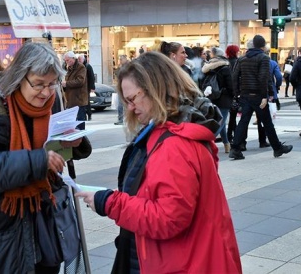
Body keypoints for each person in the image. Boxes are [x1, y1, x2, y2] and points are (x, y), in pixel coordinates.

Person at [75, 51, 241, 274]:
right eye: (126, 101)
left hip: (177, 262)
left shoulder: (174, 144)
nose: (130, 108)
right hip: (177, 257)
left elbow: (168, 218)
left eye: (133, 98)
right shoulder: (175, 131)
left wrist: (110, 203)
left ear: (156, 89)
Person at [0, 42, 87, 273]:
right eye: (39, 84)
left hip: (42, 229)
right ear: (18, 78)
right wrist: (36, 161)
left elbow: (49, 147)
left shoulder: (47, 105)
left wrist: (72, 142)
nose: (46, 92)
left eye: (52, 84)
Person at [229, 35, 293, 160]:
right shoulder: (263, 58)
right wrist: (266, 95)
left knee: (243, 122)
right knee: (267, 123)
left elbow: (234, 77)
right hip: (258, 96)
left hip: (245, 95)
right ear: (263, 46)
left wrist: (237, 94)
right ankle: (277, 148)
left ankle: (235, 148)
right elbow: (264, 77)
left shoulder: (242, 59)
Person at [202, 47, 233, 153]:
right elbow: (230, 85)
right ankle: (205, 144)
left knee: (220, 121)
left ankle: (226, 144)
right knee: (220, 123)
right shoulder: (225, 67)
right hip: (224, 98)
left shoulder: (207, 67)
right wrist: (234, 96)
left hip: (211, 97)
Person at [62, 51, 88, 129]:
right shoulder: (70, 67)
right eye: (65, 60)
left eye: (67, 60)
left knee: (79, 122)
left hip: (78, 99)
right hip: (71, 99)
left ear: (73, 58)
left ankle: (81, 139)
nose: (66, 62)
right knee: (73, 122)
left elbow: (80, 81)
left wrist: (66, 84)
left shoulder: (80, 67)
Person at [226, 44, 240, 143]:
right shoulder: (237, 62)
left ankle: (230, 135)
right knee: (234, 115)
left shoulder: (226, 63)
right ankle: (232, 135)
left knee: (232, 115)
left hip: (228, 92)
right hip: (235, 91)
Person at [79, 54, 95, 121]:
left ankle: (89, 114)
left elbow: (91, 77)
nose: (79, 61)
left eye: (80, 59)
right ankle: (84, 115)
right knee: (82, 101)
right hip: (81, 87)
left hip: (87, 86)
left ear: (83, 59)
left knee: (87, 101)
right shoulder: (79, 67)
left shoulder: (88, 66)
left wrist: (92, 87)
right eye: (78, 59)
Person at [114, 54, 129, 125]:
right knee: (120, 104)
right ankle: (120, 119)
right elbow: (116, 74)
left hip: (127, 87)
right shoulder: (120, 67)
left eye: (121, 59)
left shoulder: (129, 66)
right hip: (121, 86)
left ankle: (128, 119)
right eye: (120, 59)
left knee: (127, 104)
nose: (120, 61)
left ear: (125, 59)